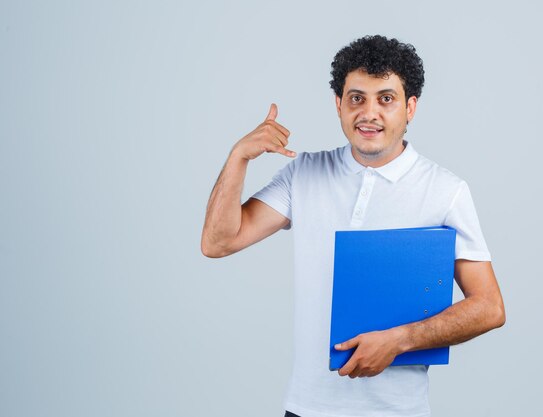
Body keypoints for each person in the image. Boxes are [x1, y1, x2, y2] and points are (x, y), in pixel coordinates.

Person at [201, 35, 505, 417]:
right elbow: (218, 242)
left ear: (410, 108)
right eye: (356, 98)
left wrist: (401, 340)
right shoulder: (304, 174)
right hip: (305, 409)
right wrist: (238, 157)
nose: (369, 113)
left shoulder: (446, 191)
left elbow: (489, 307)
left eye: (386, 98)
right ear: (339, 105)